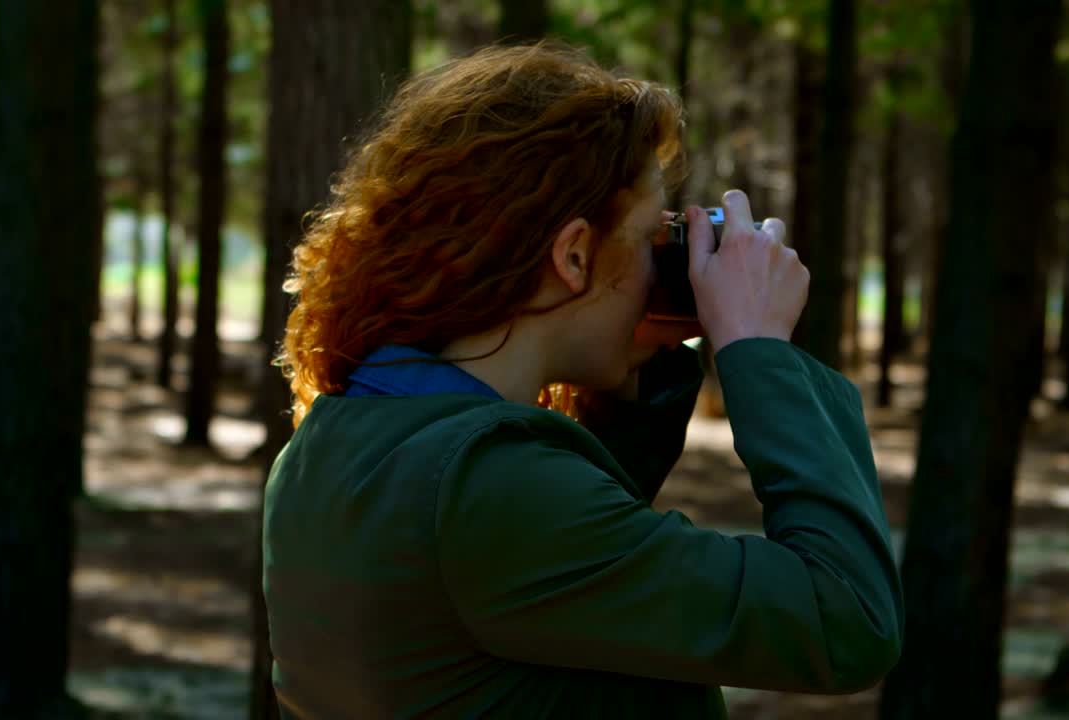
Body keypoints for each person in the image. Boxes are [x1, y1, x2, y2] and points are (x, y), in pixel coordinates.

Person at [262, 42, 903, 718]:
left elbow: (577, 582)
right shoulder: (487, 487)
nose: (661, 263)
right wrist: (759, 351)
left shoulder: (340, 444)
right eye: (649, 237)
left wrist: (635, 361)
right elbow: (847, 619)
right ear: (573, 255)